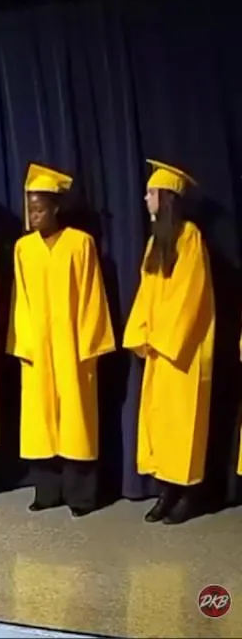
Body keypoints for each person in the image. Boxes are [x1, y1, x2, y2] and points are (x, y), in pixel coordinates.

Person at [6, 164, 115, 518]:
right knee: (41, 421)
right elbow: (20, 300)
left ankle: (81, 496)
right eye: (30, 209)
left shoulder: (80, 243)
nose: (34, 215)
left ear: (55, 208)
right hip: (38, 346)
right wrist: (23, 343)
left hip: (72, 346)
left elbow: (92, 295)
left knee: (75, 420)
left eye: (40, 208)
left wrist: (89, 345)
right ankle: (47, 491)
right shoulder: (23, 248)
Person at [122, 159, 214, 525]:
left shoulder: (190, 237)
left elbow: (190, 295)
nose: (145, 199)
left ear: (166, 197)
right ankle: (166, 492)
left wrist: (163, 337)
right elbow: (146, 292)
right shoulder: (154, 242)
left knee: (184, 422)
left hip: (183, 350)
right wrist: (141, 333)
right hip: (158, 349)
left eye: (150, 193)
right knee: (160, 423)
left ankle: (188, 495)